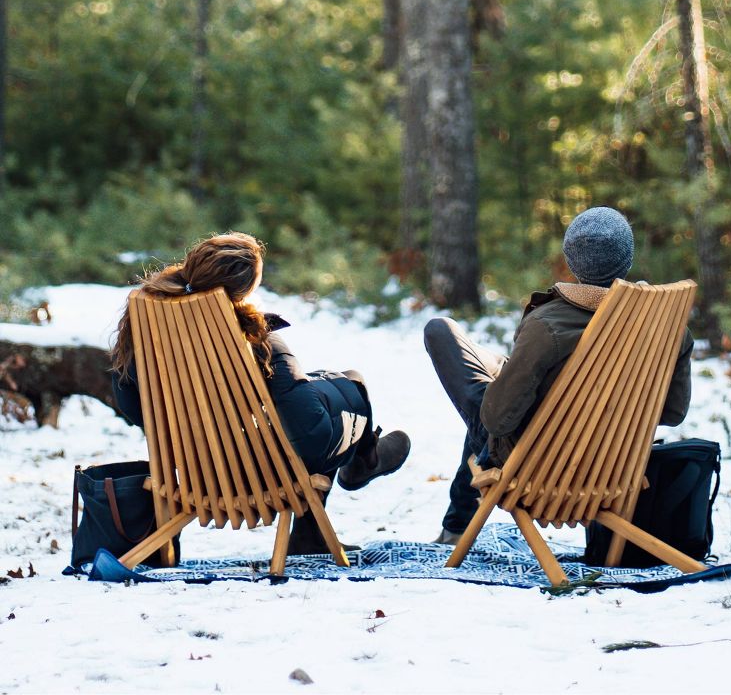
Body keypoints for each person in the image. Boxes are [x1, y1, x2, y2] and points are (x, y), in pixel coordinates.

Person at [111, 232, 411, 555]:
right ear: (245, 289)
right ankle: (367, 457)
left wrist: (188, 437)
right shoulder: (254, 342)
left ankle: (313, 530)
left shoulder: (148, 334)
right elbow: (312, 437)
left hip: (196, 470)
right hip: (249, 474)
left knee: (309, 396)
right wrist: (350, 393)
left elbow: (129, 403)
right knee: (345, 388)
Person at [424, 207, 693, 544]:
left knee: (443, 334)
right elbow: (672, 412)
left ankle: (456, 528)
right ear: (628, 257)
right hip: (612, 469)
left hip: (539, 467)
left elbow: (497, 421)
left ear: (571, 258)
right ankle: (456, 525)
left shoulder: (548, 325)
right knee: (502, 376)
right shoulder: (669, 328)